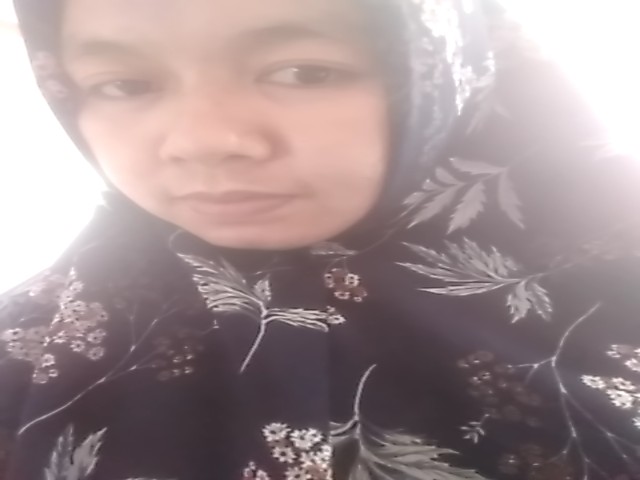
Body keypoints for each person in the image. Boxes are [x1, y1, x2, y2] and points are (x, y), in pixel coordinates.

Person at [1, 0, 640, 478]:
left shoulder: (617, 298)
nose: (203, 141)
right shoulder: (31, 351)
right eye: (125, 84)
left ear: (448, 67)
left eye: (304, 72)